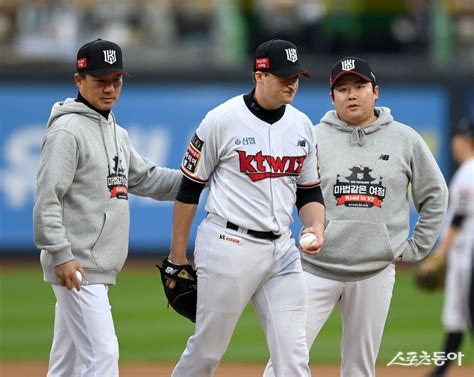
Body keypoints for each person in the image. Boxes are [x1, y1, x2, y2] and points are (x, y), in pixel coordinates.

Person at [264, 57, 449, 377]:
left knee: (359, 367)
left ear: (375, 91)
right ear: (331, 97)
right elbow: (280, 191)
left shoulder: (405, 139)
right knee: (284, 360)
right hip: (315, 267)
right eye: (343, 88)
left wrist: (416, 246)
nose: (352, 94)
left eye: (360, 86)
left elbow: (436, 195)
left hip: (373, 271)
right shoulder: (312, 136)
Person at [165, 38, 326, 377]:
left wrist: (316, 226)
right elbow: (189, 189)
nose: (292, 83)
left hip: (282, 250)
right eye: (284, 76)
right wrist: (177, 257)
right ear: (260, 75)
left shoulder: (301, 126)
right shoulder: (220, 120)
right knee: (208, 350)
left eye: (296, 76)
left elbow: (309, 194)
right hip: (229, 245)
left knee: (293, 355)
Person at [33, 38, 182, 377]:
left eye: (116, 80)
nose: (110, 88)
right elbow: (47, 199)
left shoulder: (116, 130)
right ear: (78, 80)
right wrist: (61, 255)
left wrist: (195, 183)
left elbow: (145, 178)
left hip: (91, 265)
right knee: (103, 357)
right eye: (101, 81)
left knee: (66, 364)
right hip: (79, 264)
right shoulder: (67, 131)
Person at [425, 118, 474, 377]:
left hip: (467, 255)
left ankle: (440, 371)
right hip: (464, 255)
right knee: (457, 314)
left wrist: (439, 253)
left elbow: (459, 217)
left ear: (464, 140)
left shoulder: (469, 171)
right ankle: (441, 370)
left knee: (462, 313)